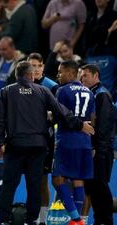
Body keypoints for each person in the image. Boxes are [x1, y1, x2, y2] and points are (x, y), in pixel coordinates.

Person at [0, 61, 94, 225]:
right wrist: (80, 124)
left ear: (16, 75)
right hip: (38, 146)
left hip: (15, 145)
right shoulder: (43, 91)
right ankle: (32, 220)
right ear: (31, 75)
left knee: (9, 185)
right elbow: (62, 112)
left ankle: (3, 220)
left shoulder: (6, 91)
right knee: (34, 185)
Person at [52, 60, 95, 225]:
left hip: (67, 141)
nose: (58, 75)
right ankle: (79, 221)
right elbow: (92, 120)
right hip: (85, 142)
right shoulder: (89, 92)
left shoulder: (62, 90)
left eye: (60, 72)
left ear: (70, 73)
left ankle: (75, 219)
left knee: (57, 179)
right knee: (78, 180)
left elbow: (58, 116)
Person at [80, 64, 115, 225]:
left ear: (96, 75)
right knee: (94, 188)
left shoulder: (102, 95)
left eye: (85, 75)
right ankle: (100, 219)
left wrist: (97, 149)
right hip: (94, 150)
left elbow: (104, 127)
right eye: (81, 75)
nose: (82, 78)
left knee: (100, 186)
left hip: (100, 151)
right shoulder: (92, 93)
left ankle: (105, 220)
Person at [27, 53, 58, 225]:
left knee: (42, 179)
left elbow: (59, 113)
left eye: (39, 66)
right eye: (33, 66)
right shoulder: (22, 85)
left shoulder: (52, 86)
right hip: (26, 139)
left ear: (43, 66)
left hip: (46, 140)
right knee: (30, 180)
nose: (36, 69)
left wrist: (47, 115)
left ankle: (43, 220)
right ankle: (32, 216)